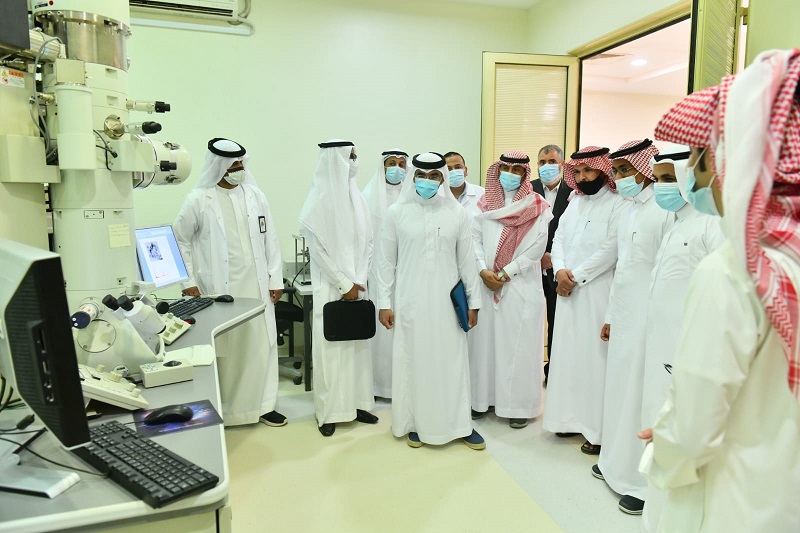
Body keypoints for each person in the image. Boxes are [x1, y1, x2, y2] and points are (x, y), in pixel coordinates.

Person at [639, 49, 800, 532]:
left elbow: (691, 433)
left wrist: (663, 447)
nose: (693, 172)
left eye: (697, 157)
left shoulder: (732, 272)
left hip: (728, 502)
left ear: (733, 158)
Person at [173, 138, 286, 427]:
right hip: (221, 289)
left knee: (260, 347)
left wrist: (275, 278)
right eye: (233, 165)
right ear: (218, 166)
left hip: (257, 287)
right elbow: (180, 239)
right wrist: (188, 282)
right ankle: (228, 411)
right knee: (230, 352)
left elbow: (270, 239)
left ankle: (264, 406)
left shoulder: (255, 196)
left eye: (241, 164)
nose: (238, 169)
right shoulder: (199, 199)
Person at [639, 146, 724, 531]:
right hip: (661, 343)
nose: (662, 187)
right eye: (658, 179)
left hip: (686, 350)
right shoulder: (676, 222)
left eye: (669, 179)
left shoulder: (710, 224)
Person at [377, 152, 485, 450]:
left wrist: (474, 302)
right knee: (414, 361)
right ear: (413, 178)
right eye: (421, 176)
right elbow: (385, 262)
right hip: (410, 301)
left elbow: (467, 261)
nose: (427, 181)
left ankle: (460, 425)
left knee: (452, 362)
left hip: (447, 304)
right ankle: (415, 423)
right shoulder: (396, 213)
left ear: (442, 179)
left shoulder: (456, 213)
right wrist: (384, 302)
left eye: (434, 176)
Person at [594, 139, 672, 516]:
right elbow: (621, 268)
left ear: (645, 169)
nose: (621, 177)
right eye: (617, 170)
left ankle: (639, 483)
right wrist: (611, 314)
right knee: (620, 388)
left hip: (650, 318)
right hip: (624, 314)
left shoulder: (664, 209)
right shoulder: (627, 210)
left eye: (626, 169)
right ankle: (614, 462)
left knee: (643, 394)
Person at [541, 146, 626, 454]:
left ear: (603, 170)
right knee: (567, 356)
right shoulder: (574, 201)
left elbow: (611, 249)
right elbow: (559, 239)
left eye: (588, 170)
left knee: (594, 360)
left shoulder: (618, 203)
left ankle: (595, 429)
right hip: (567, 291)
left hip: (596, 292)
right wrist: (560, 270)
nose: (582, 177)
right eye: (577, 172)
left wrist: (574, 276)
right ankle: (566, 420)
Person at [299, 140, 378, 437]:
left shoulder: (357, 197)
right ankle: (328, 413)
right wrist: (344, 284)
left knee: (358, 349)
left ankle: (358, 405)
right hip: (332, 289)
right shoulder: (318, 200)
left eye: (356, 156)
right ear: (335, 161)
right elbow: (318, 252)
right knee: (331, 353)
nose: (354, 162)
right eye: (350, 157)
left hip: (358, 286)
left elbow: (369, 242)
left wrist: (360, 278)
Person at [469, 151, 553, 429]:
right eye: (506, 168)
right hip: (486, 283)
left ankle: (518, 406)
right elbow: (473, 239)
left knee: (518, 346)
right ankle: (482, 400)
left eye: (517, 170)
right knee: (484, 346)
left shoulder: (537, 205)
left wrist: (507, 273)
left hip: (520, 286)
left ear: (525, 174)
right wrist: (482, 269)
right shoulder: (483, 204)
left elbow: (537, 246)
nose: (510, 174)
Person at [362, 149, 408, 400]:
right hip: (377, 275)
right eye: (392, 163)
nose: (397, 168)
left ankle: (404, 385)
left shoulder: (412, 197)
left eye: (402, 164)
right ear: (382, 166)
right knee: (381, 335)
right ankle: (380, 386)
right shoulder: (366, 197)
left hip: (408, 274)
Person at [531, 144, 572, 383]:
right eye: (542, 162)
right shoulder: (528, 189)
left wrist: (553, 257)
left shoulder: (573, 192)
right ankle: (529, 371)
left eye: (552, 162)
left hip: (558, 269)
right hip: (530, 267)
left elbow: (571, 232)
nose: (547, 166)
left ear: (562, 164)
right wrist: (538, 255)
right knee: (530, 321)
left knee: (557, 320)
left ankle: (553, 372)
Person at [445, 151, 485, 219]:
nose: (454, 171)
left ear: (465, 171)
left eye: (458, 167)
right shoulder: (437, 196)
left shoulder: (483, 194)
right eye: (448, 169)